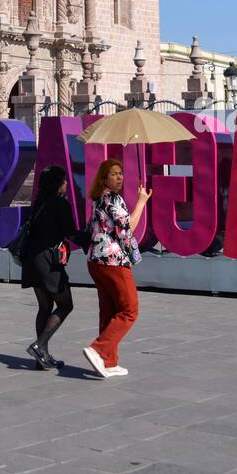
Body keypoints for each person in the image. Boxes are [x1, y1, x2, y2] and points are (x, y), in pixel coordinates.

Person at [82, 158, 151, 379]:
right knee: (129, 310)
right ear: (104, 177)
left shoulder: (98, 198)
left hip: (96, 260)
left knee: (109, 311)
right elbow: (126, 229)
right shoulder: (112, 199)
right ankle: (98, 349)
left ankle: (108, 362)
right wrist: (141, 202)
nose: (119, 177)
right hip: (113, 261)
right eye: (113, 174)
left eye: (121, 173)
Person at [20, 165, 90, 370]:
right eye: (64, 180)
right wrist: (89, 236)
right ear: (57, 183)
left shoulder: (38, 203)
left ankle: (42, 356)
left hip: (31, 260)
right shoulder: (60, 204)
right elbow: (70, 232)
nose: (67, 184)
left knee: (44, 306)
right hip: (48, 262)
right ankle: (38, 345)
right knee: (66, 304)